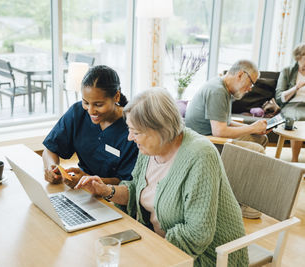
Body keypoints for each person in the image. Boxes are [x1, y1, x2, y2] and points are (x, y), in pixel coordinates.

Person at [74, 89, 248, 266]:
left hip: (206, 256)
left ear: (160, 130)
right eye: (129, 130)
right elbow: (136, 190)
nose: (129, 138)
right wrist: (105, 190)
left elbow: (197, 234)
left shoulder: (201, 155)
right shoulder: (149, 149)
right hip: (157, 242)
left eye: (136, 132)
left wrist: (147, 251)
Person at [42, 65, 138, 187]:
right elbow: (50, 148)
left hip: (113, 196)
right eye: (86, 103)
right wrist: (52, 168)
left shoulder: (133, 128)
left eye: (98, 104)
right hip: (81, 189)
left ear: (116, 97)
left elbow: (126, 182)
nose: (91, 111)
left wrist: (88, 181)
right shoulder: (77, 113)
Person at [185, 60, 268, 154]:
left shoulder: (224, 87)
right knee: (258, 150)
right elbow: (219, 132)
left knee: (261, 139)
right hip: (205, 143)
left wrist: (254, 128)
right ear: (240, 75)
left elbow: (224, 122)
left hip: (212, 136)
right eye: (251, 83)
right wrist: (252, 128)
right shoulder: (217, 91)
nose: (250, 88)